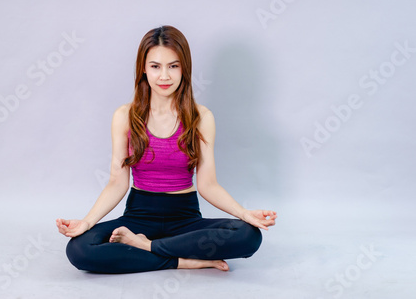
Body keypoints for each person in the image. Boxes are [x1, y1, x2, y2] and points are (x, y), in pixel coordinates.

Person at [56, 25, 277, 274]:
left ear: (184, 68)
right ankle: (180, 260)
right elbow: (117, 183)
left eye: (173, 66)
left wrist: (245, 214)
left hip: (185, 218)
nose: (164, 76)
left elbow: (208, 185)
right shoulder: (124, 116)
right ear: (143, 68)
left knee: (248, 236)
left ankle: (147, 247)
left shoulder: (201, 117)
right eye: (155, 66)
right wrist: (86, 222)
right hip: (138, 216)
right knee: (80, 249)